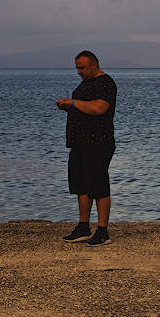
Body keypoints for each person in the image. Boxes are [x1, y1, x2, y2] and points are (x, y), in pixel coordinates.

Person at [55, 50, 116, 246]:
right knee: (81, 185)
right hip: (79, 143)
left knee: (98, 186)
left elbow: (99, 108)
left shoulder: (106, 83)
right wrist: (69, 107)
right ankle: (83, 226)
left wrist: (73, 103)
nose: (79, 72)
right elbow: (83, 107)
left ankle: (103, 230)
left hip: (98, 142)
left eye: (81, 68)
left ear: (93, 65)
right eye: (77, 68)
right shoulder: (85, 84)